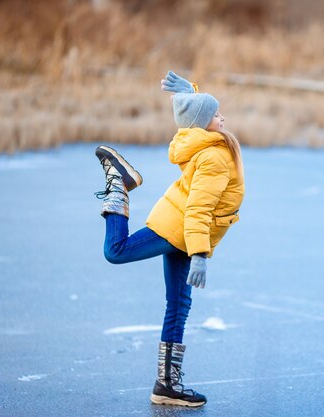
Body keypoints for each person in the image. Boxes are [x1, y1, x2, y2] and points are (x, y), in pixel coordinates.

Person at [94, 71, 245, 407]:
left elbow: (192, 121)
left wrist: (189, 93)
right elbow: (199, 210)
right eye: (217, 115)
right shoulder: (214, 156)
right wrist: (201, 255)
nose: (223, 117)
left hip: (183, 231)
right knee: (116, 251)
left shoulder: (200, 142)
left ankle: (166, 385)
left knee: (178, 305)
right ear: (206, 124)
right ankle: (119, 184)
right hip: (179, 229)